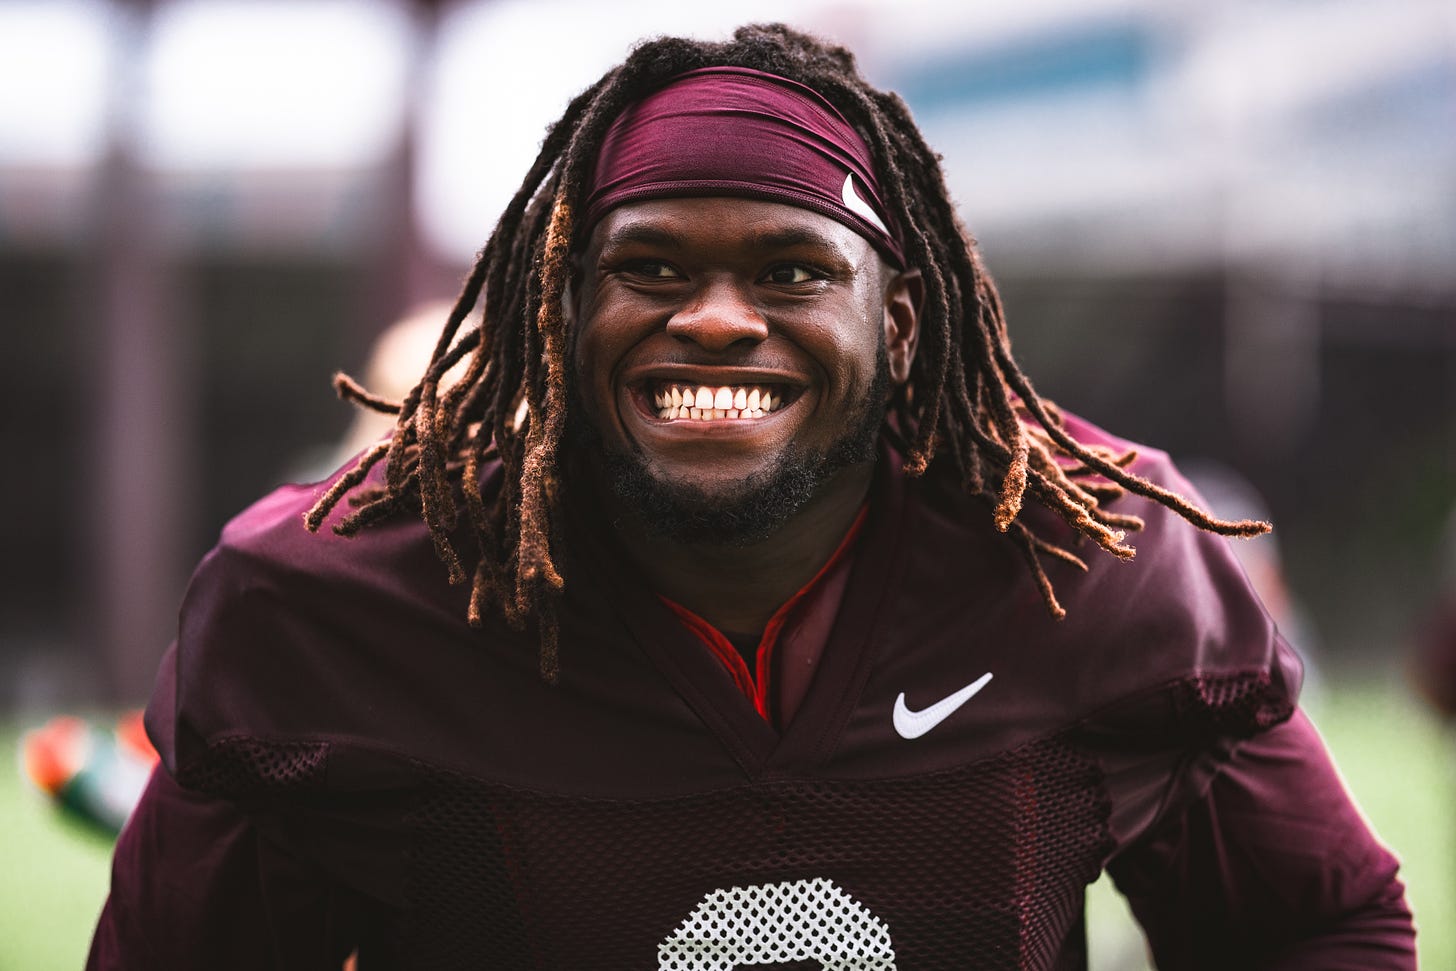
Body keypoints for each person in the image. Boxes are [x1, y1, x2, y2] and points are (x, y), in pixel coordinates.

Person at [89, 24, 1415, 969]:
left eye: (791, 273)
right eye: (652, 268)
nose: (718, 320)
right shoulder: (325, 606)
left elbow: (1316, 925)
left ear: (899, 324)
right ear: (559, 314)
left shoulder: (1091, 556)